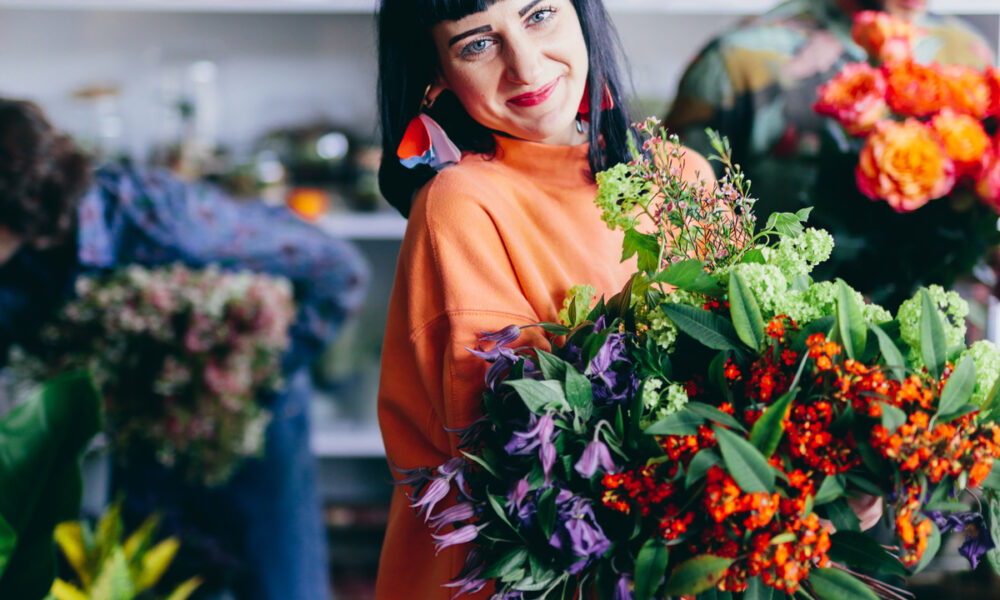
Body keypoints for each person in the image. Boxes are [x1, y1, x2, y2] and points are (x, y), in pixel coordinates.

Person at [373, 1, 714, 598]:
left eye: (539, 15)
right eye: (477, 44)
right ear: (434, 76)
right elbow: (524, 461)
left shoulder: (683, 176)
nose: (526, 68)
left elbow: (759, 374)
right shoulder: (460, 204)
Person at [0, 98, 369, 600]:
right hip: (145, 426)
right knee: (150, 582)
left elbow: (338, 267)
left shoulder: (162, 219)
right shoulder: (22, 257)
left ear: (19, 195)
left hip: (254, 418)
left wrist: (259, 370)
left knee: (281, 583)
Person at [665, 0, 994, 218]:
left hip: (953, 318)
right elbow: (672, 228)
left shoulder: (971, 58)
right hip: (794, 320)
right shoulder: (740, 61)